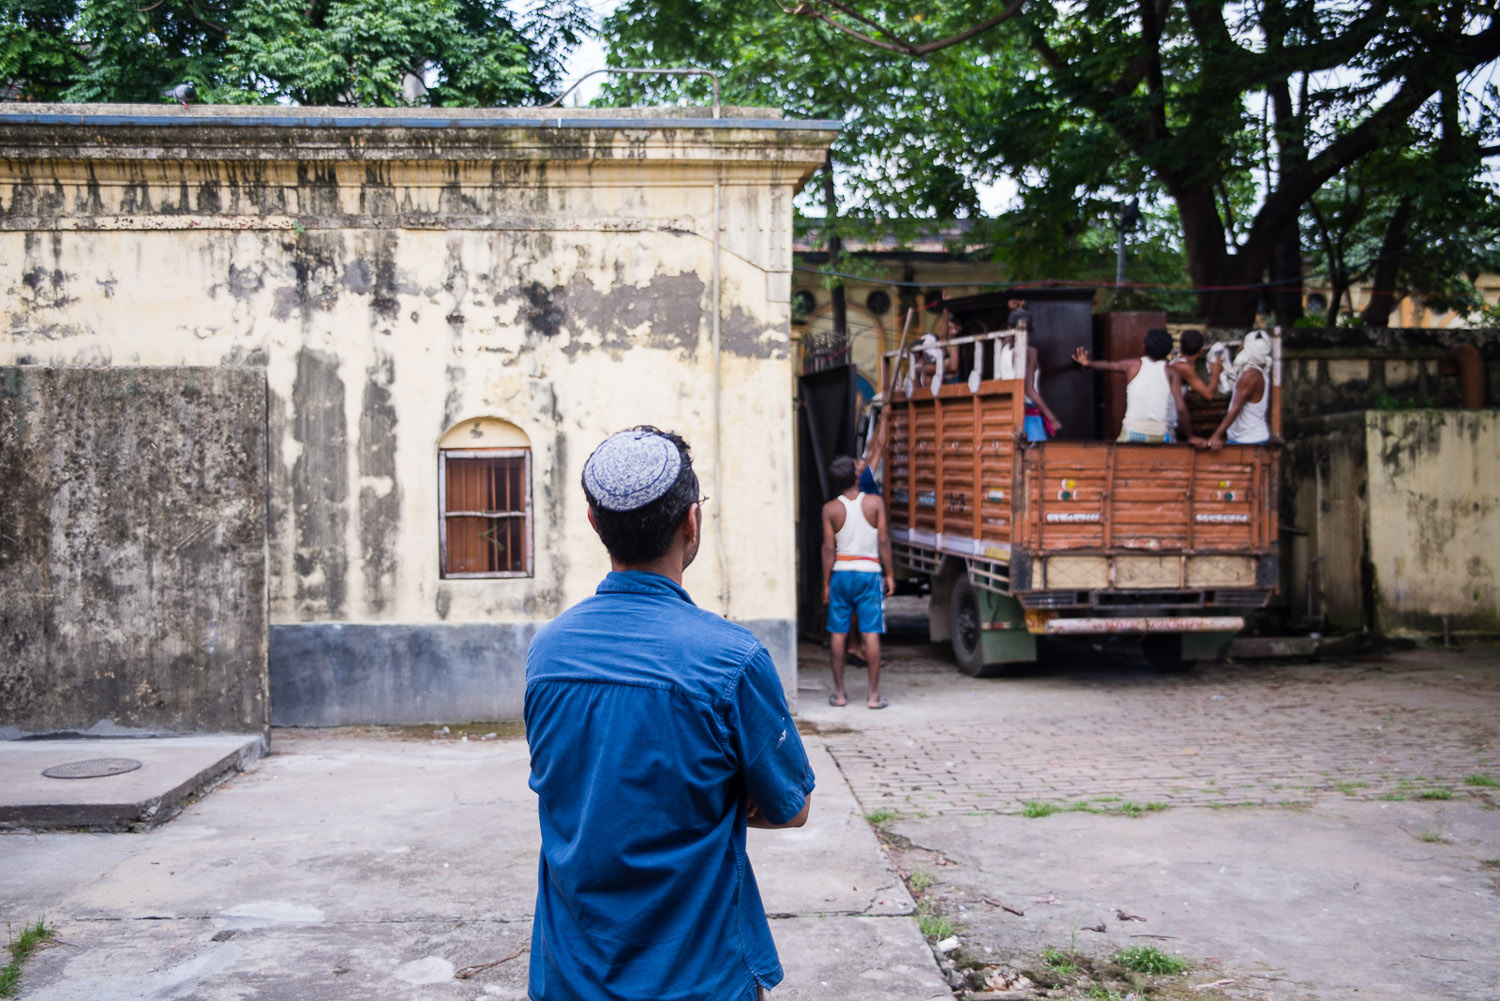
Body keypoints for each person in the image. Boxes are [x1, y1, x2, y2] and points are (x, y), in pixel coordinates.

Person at [525, 426, 815, 1001]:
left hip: (570, 977)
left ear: (593, 523)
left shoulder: (547, 652)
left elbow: (578, 792)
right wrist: (713, 800)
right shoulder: (732, 661)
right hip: (700, 980)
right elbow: (792, 808)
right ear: (691, 522)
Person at [821, 455, 894, 709]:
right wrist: (890, 574)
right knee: (871, 633)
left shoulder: (830, 509)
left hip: (841, 572)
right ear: (855, 476)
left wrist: (826, 583)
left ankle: (840, 695)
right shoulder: (875, 503)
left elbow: (828, 548)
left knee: (838, 634)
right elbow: (883, 541)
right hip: (869, 571)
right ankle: (873, 697)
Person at [1072, 327, 1191, 442]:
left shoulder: (1132, 366)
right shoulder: (1171, 372)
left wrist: (1087, 363)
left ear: (1144, 346)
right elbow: (1180, 408)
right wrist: (1190, 436)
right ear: (1168, 351)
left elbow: (1109, 365)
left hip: (1132, 431)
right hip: (1159, 434)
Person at [1197, 330, 1272, 449]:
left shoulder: (1250, 375)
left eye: (1244, 343)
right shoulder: (1257, 372)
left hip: (1248, 439)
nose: (1240, 346)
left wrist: (1216, 436)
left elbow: (1235, 408)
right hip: (1251, 436)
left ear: (1250, 349)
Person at [997, 307, 1063, 440]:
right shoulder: (1029, 352)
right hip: (1027, 413)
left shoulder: (1004, 347)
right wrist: (1051, 418)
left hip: (1008, 409)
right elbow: (1028, 388)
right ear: (1032, 328)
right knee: (1036, 455)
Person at [1165, 328, 1217, 441]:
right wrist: (1216, 373)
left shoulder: (1176, 363)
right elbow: (1208, 395)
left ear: (1180, 347)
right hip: (1166, 424)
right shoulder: (1184, 367)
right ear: (1201, 350)